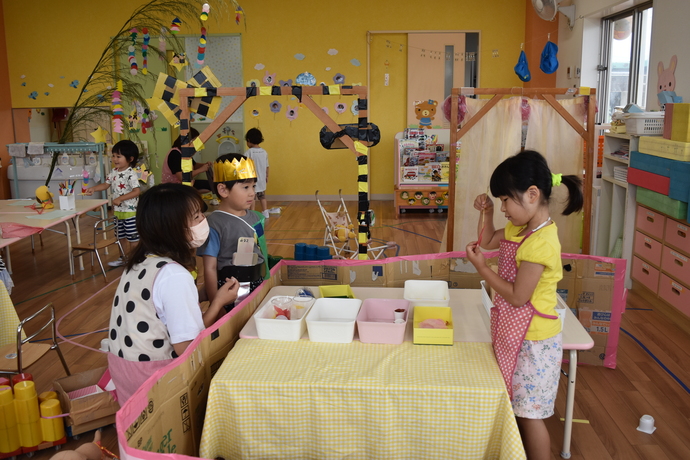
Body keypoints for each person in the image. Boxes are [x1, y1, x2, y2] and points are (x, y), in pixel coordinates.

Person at [465, 150, 583, 460]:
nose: (503, 207)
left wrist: (482, 269)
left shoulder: (542, 243)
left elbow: (518, 296)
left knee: (531, 417)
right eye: (500, 200)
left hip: (535, 342)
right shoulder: (522, 229)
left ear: (532, 195)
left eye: (505, 200)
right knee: (518, 407)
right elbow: (488, 241)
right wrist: (487, 213)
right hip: (516, 333)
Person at [107, 183, 239, 402]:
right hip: (155, 380)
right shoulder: (175, 275)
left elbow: (154, 307)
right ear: (172, 228)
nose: (203, 221)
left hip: (124, 373)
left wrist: (200, 295)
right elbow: (186, 346)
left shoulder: (141, 262)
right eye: (196, 217)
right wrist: (217, 302)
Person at [197, 154, 269, 319]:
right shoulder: (215, 223)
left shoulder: (257, 217)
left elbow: (261, 251)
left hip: (257, 283)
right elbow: (210, 268)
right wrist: (217, 303)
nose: (252, 193)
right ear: (223, 190)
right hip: (232, 289)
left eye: (253, 186)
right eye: (245, 187)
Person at [85, 140, 141, 266]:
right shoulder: (114, 172)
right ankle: (123, 258)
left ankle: (135, 260)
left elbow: (136, 191)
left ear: (130, 158)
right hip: (118, 212)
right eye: (113, 156)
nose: (115, 159)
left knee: (133, 238)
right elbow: (106, 184)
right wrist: (94, 188)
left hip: (130, 212)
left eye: (119, 156)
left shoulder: (131, 174)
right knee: (120, 237)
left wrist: (121, 199)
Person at [162, 128, 213, 192]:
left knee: (210, 185)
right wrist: (201, 169)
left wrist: (205, 165)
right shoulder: (175, 154)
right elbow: (182, 177)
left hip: (184, 184)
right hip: (173, 188)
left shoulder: (184, 153)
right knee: (209, 186)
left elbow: (194, 165)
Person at [244, 128, 270, 218]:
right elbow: (267, 166)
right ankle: (265, 211)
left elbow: (244, 166)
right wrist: (267, 176)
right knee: (262, 196)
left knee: (252, 197)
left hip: (252, 179)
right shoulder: (264, 152)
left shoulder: (248, 152)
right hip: (262, 178)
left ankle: (252, 213)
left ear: (249, 140)